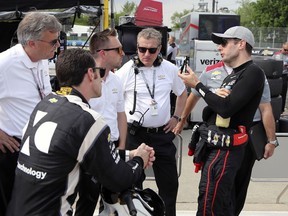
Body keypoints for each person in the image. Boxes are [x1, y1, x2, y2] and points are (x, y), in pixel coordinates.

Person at [6, 48, 155, 216]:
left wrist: (130, 154)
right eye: (101, 71)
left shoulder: (46, 103)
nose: (102, 77)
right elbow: (119, 179)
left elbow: (70, 152)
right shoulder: (87, 119)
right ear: (91, 74)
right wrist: (139, 160)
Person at [178, 26, 266, 215]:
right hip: (215, 147)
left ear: (241, 44)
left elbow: (225, 110)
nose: (219, 47)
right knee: (211, 201)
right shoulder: (233, 75)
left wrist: (198, 85)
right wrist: (215, 96)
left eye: (224, 43)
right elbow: (210, 112)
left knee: (212, 205)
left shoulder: (253, 72)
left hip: (226, 150)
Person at [116, 27, 187, 216]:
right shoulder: (126, 70)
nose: (146, 54)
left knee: (169, 186)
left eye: (152, 50)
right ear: (137, 47)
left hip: (162, 135)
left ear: (160, 48)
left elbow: (182, 93)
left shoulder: (170, 69)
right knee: (132, 185)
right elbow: (114, 99)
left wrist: (177, 117)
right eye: (142, 49)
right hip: (135, 135)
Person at [0, 12, 62, 215]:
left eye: (58, 39)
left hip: (36, 149)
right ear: (32, 42)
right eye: (53, 41)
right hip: (11, 153)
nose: (58, 46)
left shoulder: (41, 59)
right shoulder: (5, 64)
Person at [74, 28, 127, 216]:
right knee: (87, 200)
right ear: (103, 53)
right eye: (119, 50)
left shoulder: (116, 80)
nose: (123, 53)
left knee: (113, 202)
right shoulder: (83, 79)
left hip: (111, 146)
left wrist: (121, 146)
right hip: (89, 149)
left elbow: (121, 114)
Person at [273, 41, 288, 112]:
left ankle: (281, 110)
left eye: (287, 50)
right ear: (282, 46)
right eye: (285, 49)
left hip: (284, 76)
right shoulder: (276, 55)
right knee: (274, 93)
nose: (286, 51)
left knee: (283, 94)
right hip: (275, 77)